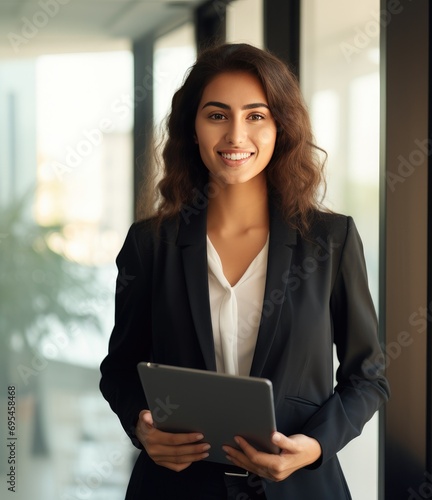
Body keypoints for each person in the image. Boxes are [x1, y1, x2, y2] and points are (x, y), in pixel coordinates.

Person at [100, 42, 390, 500]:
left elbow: (367, 377)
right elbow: (119, 370)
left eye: (256, 116)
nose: (236, 135)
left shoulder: (330, 241)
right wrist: (141, 424)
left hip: (302, 489)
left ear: (281, 128)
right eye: (217, 115)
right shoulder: (150, 243)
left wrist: (314, 446)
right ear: (192, 130)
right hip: (175, 489)